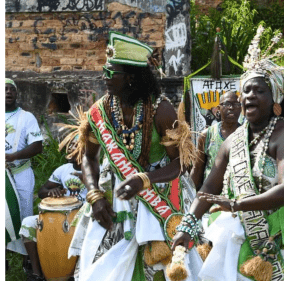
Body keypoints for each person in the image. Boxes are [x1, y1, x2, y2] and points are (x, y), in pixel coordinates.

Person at [172, 26, 284, 281]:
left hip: (283, 238)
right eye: (246, 91)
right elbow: (208, 189)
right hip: (242, 240)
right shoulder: (233, 141)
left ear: (275, 98)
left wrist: (237, 204)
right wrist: (187, 226)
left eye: (259, 90)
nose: (249, 96)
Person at [66, 31, 201, 281]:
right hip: (114, 198)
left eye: (110, 73)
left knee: (163, 268)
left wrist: (144, 180)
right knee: (101, 265)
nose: (104, 77)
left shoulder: (160, 110)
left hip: (160, 196)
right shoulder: (100, 112)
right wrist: (94, 195)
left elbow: (180, 163)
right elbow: (89, 158)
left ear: (130, 77)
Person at [19, 144, 86, 281]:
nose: (69, 149)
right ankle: (37, 274)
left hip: (85, 215)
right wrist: (51, 191)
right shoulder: (62, 170)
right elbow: (42, 191)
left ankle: (77, 273)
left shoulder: (99, 169)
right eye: (69, 146)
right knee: (28, 223)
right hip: (60, 215)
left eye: (73, 146)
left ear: (85, 148)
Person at [5, 78, 44, 255]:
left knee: (25, 214)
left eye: (11, 89)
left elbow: (37, 146)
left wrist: (13, 157)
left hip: (20, 173)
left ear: (17, 93)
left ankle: (27, 258)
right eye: (4, 89)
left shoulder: (26, 117)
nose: (8, 92)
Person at [190, 90, 241, 191]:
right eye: (227, 104)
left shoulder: (247, 134)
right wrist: (190, 195)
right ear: (218, 109)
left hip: (238, 197)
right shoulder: (206, 135)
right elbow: (197, 168)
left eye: (236, 104)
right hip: (211, 195)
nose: (231, 108)